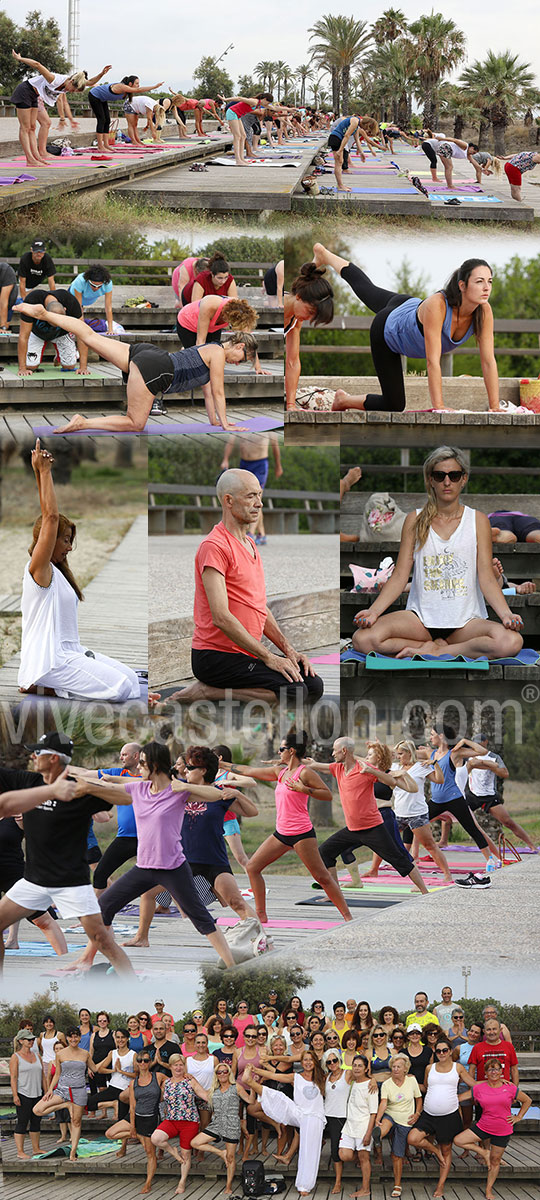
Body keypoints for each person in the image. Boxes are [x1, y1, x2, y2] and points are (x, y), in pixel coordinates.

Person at [161, 470, 324, 703]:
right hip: (215, 657)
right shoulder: (214, 547)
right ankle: (206, 691)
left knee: (313, 685)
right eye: (250, 496)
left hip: (246, 654)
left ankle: (226, 686)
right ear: (228, 500)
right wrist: (269, 657)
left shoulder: (249, 544)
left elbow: (260, 608)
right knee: (295, 692)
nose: (259, 503)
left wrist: (289, 651)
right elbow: (221, 617)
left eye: (259, 495)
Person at [69, 740, 236, 968]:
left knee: (201, 919)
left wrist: (185, 787)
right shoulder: (138, 789)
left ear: (155, 765)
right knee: (104, 907)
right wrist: (86, 785)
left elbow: (216, 795)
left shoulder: (177, 791)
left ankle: (232, 966)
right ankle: (85, 960)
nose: (139, 768)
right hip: (144, 869)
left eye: (144, 763)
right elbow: (111, 790)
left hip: (174, 869)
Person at [353, 447, 523, 660]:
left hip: (466, 623)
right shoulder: (414, 520)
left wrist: (506, 614)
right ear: (430, 479)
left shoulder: (478, 520)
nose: (447, 481)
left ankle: (438, 650)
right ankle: (427, 644)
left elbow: (487, 577)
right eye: (439, 475)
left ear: (463, 479)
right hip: (420, 622)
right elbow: (399, 576)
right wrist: (374, 612)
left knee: (511, 641)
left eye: (454, 475)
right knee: (363, 639)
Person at [0, 732, 134, 977]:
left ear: (53, 758)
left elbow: (127, 797)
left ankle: (133, 988)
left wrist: (88, 785)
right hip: (33, 881)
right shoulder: (30, 782)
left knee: (103, 941)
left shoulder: (79, 790)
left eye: (38, 752)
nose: (32, 755)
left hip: (71, 883)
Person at [14, 300, 253, 434]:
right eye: (240, 359)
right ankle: (82, 423)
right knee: (135, 423)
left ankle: (43, 313)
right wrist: (226, 423)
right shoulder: (218, 353)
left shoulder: (210, 350)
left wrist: (215, 421)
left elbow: (210, 391)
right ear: (239, 346)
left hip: (150, 354)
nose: (236, 363)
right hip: (157, 370)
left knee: (88, 335)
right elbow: (219, 392)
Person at [312, 244, 501, 413]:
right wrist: (440, 407)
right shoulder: (439, 305)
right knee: (394, 405)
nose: (487, 287)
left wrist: (495, 407)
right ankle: (344, 400)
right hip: (387, 328)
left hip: (407, 305)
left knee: (367, 289)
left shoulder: (483, 311)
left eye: (490, 281)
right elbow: (432, 362)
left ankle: (325, 255)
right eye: (479, 281)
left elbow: (488, 362)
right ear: (462, 285)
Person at [17, 441, 140, 700]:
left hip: (71, 653)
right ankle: (39, 684)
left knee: (132, 681)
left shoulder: (57, 573)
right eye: (65, 540)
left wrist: (38, 472)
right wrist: (45, 472)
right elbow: (49, 518)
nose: (70, 547)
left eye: (71, 540)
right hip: (50, 662)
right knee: (120, 690)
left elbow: (46, 518)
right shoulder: (39, 571)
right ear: (48, 541)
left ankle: (45, 683)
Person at [222, 731, 352, 923]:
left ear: (291, 751)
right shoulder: (280, 773)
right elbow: (248, 771)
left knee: (322, 877)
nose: (278, 752)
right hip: (281, 834)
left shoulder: (305, 773)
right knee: (252, 867)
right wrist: (221, 764)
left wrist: (304, 789)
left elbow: (327, 795)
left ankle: (348, 917)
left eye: (281, 749)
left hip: (302, 834)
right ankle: (261, 915)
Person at [316, 738, 429, 895]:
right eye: (367, 755)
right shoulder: (359, 769)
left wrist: (402, 773)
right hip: (354, 826)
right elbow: (349, 759)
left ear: (379, 758)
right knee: (326, 851)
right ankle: (337, 892)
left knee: (398, 856)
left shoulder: (385, 773)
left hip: (379, 821)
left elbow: (412, 788)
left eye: (370, 755)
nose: (367, 757)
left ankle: (424, 891)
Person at [368, 740, 452, 882]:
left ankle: (447, 875)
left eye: (401, 753)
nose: (398, 756)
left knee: (429, 845)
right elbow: (376, 761)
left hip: (417, 814)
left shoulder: (421, 767)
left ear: (409, 753)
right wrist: (377, 745)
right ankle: (373, 871)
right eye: (397, 754)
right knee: (382, 840)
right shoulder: (393, 767)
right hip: (398, 812)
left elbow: (440, 780)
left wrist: (435, 764)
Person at [244, 1053, 326, 1196]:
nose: (307, 1063)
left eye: (310, 1060)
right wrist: (256, 1071)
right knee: (280, 1097)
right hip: (299, 1113)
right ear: (301, 1062)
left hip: (315, 1118)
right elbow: (276, 1076)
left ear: (315, 1062)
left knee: (309, 1151)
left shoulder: (322, 1078)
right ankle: (250, 1082)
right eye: (305, 1060)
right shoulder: (296, 1077)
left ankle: (305, 1185)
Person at [9, 50, 110, 166]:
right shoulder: (53, 79)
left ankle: (36, 157)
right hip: (25, 91)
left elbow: (91, 81)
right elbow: (37, 65)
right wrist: (20, 59)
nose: (69, 91)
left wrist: (101, 74)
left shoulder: (75, 82)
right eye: (71, 89)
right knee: (25, 127)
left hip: (35, 96)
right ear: (71, 81)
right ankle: (30, 159)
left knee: (32, 127)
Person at [453, 1060, 531, 1199]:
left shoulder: (510, 1087)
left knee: (495, 1161)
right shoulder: (479, 1088)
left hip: (503, 1129)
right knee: (458, 1140)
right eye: (490, 1070)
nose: (493, 1072)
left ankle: (489, 1190)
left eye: (496, 1069)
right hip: (483, 1126)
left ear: (501, 1072)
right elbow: (458, 1098)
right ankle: (484, 1152)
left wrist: (518, 1117)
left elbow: (527, 1100)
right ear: (485, 1073)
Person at [33, 1027, 103, 1159]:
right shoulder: (60, 1054)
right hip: (62, 1090)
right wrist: (49, 1090)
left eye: (76, 1036)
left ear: (80, 1038)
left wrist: (110, 1057)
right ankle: (66, 1105)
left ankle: (73, 1151)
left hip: (79, 1091)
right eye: (71, 1037)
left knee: (76, 1122)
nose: (74, 1039)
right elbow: (57, 1074)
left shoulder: (85, 1053)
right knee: (38, 1109)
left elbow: (95, 1068)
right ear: (67, 1038)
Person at [464, 735, 538, 852]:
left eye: (479, 743)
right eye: (474, 743)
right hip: (472, 795)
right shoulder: (468, 756)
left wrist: (485, 764)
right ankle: (443, 841)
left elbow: (505, 773)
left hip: (489, 796)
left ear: (486, 742)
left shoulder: (494, 757)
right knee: (450, 813)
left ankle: (532, 846)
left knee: (508, 822)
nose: (477, 745)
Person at [106, 1048, 165, 1192]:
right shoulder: (134, 1083)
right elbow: (132, 1106)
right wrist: (133, 1127)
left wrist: (187, 1076)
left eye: (146, 1060)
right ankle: (140, 1135)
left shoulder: (158, 1076)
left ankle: (148, 1183)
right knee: (110, 1133)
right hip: (136, 1116)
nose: (143, 1063)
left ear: (150, 1062)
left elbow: (176, 1080)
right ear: (137, 1063)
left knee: (150, 1153)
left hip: (151, 1118)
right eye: (140, 1061)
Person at [150, 1053, 206, 1193]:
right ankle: (173, 1151)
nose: (178, 1067)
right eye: (176, 1065)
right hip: (171, 1120)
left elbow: (204, 1094)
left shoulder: (190, 1081)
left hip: (189, 1121)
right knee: (156, 1138)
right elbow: (159, 1099)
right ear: (170, 1066)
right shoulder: (166, 1083)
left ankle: (182, 1182)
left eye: (181, 1064)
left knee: (186, 1154)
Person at [285, 262, 334, 410]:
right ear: (299, 297)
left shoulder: (295, 320)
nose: (309, 318)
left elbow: (292, 361)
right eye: (310, 311)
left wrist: (291, 404)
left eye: (314, 315)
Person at [219, 433, 283, 545]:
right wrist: (225, 459)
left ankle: (250, 534)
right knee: (247, 500)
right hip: (244, 464)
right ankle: (262, 534)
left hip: (260, 464)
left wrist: (278, 465)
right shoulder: (243, 424)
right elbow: (231, 440)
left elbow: (275, 446)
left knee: (255, 500)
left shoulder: (267, 426)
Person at [16, 289, 87, 377]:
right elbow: (23, 336)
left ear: (65, 309)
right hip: (37, 333)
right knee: (30, 367)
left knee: (70, 366)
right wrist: (22, 368)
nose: (56, 325)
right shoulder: (32, 301)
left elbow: (83, 334)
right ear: (45, 313)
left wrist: (83, 367)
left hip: (62, 334)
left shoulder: (71, 302)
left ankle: (59, 355)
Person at [88, 74, 164, 154]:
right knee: (102, 120)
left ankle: (106, 145)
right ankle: (100, 146)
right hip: (94, 96)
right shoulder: (122, 87)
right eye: (136, 83)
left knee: (107, 120)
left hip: (102, 99)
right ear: (130, 84)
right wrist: (155, 87)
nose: (138, 85)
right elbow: (139, 90)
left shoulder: (128, 91)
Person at [338, 1054, 378, 1198]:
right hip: (349, 1126)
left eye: (360, 1065)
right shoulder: (353, 1082)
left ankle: (365, 1188)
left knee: (364, 1158)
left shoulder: (370, 1086)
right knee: (343, 1154)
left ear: (366, 1068)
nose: (356, 1068)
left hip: (363, 1126)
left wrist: (368, 1134)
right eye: (355, 1065)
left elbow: (373, 1113)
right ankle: (357, 1151)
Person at [10, 1029, 44, 1159]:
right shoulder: (15, 1057)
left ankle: (36, 1148)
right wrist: (15, 1095)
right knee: (22, 1122)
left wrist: (46, 1092)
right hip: (23, 1093)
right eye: (28, 1039)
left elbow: (42, 1076)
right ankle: (20, 1151)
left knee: (36, 1121)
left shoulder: (37, 1056)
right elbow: (13, 1077)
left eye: (32, 1039)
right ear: (21, 1041)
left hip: (37, 1093)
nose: (31, 1041)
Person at [327, 115, 377, 190]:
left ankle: (340, 185)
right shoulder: (355, 122)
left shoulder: (356, 125)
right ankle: (340, 186)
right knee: (338, 162)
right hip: (336, 138)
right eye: (368, 128)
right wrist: (340, 150)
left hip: (338, 139)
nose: (366, 130)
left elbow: (357, 140)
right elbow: (346, 135)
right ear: (367, 124)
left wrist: (361, 153)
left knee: (340, 162)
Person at [469, 1019, 519, 1084]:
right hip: (483, 1089)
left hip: (504, 1089)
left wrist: (515, 1089)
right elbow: (471, 1070)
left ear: (500, 1030)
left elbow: (514, 1069)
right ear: (484, 1031)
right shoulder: (477, 1047)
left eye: (494, 1029)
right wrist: (472, 1088)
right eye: (488, 1029)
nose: (492, 1032)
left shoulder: (509, 1046)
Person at [69, 265, 114, 335]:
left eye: (99, 286)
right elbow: (79, 306)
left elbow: (108, 307)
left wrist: (110, 329)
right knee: (70, 314)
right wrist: (82, 328)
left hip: (89, 299)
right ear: (88, 281)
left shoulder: (108, 283)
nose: (96, 288)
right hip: (72, 297)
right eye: (93, 285)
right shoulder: (80, 281)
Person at [0, 260, 19, 334]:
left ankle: (5, 323)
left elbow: (3, 302)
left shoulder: (6, 271)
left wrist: (2, 327)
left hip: (8, 300)